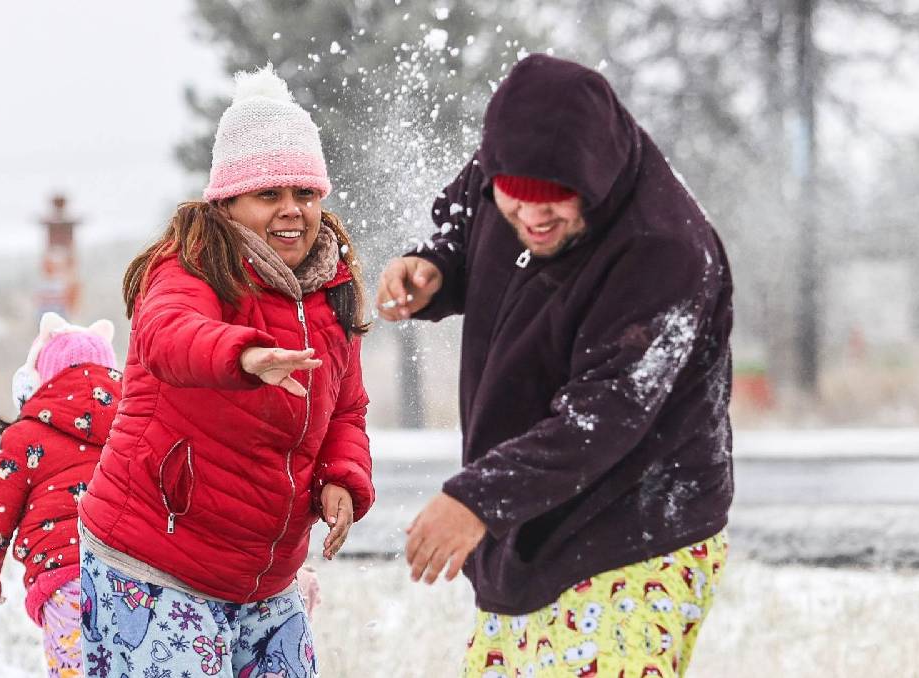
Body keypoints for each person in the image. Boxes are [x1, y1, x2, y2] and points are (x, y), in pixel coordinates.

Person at [378, 54, 734, 677]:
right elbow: (466, 215)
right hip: (534, 524)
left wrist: (478, 500)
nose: (536, 219)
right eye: (519, 205)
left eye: (558, 204)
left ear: (594, 177)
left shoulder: (664, 251)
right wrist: (439, 264)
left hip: (636, 533)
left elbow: (604, 416)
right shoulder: (505, 172)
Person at [77, 65, 374, 678]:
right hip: (157, 562)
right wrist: (241, 354)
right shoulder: (190, 266)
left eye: (305, 194)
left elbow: (345, 408)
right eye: (270, 195)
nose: (292, 211)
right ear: (229, 201)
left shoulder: (331, 292)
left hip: (266, 580)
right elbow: (165, 335)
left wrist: (341, 478)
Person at [0, 311, 121, 678]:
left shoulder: (27, 437)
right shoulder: (134, 429)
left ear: (40, 380)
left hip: (66, 584)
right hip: (137, 579)